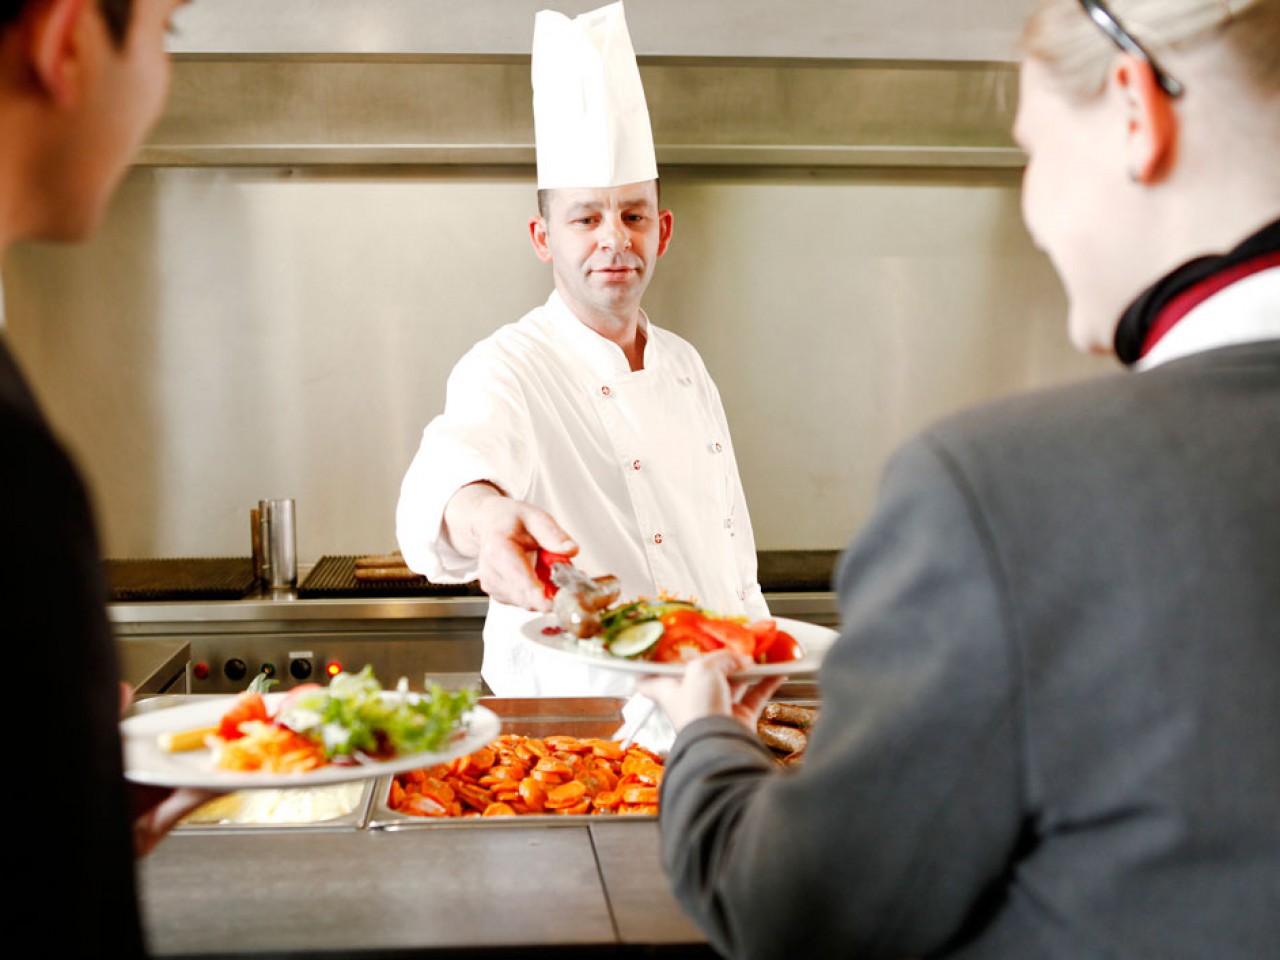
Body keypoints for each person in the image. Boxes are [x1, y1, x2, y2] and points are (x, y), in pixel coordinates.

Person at [639, 1, 1280, 957]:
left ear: (1136, 111)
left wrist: (705, 740)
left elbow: (793, 909)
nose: (1033, 211)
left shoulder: (1001, 491)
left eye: (1033, 152)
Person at [396, 2, 768, 707]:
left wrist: (756, 666)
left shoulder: (685, 366)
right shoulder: (507, 366)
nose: (614, 239)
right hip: (572, 724)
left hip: (712, 710)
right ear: (544, 238)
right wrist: (486, 522)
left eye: (632, 215)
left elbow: (733, 557)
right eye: (586, 217)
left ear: (662, 231)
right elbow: (446, 479)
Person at [2, 0, 209, 955]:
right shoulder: (11, 470)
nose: (163, 79)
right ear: (65, 42)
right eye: (165, 32)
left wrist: (76, 804)